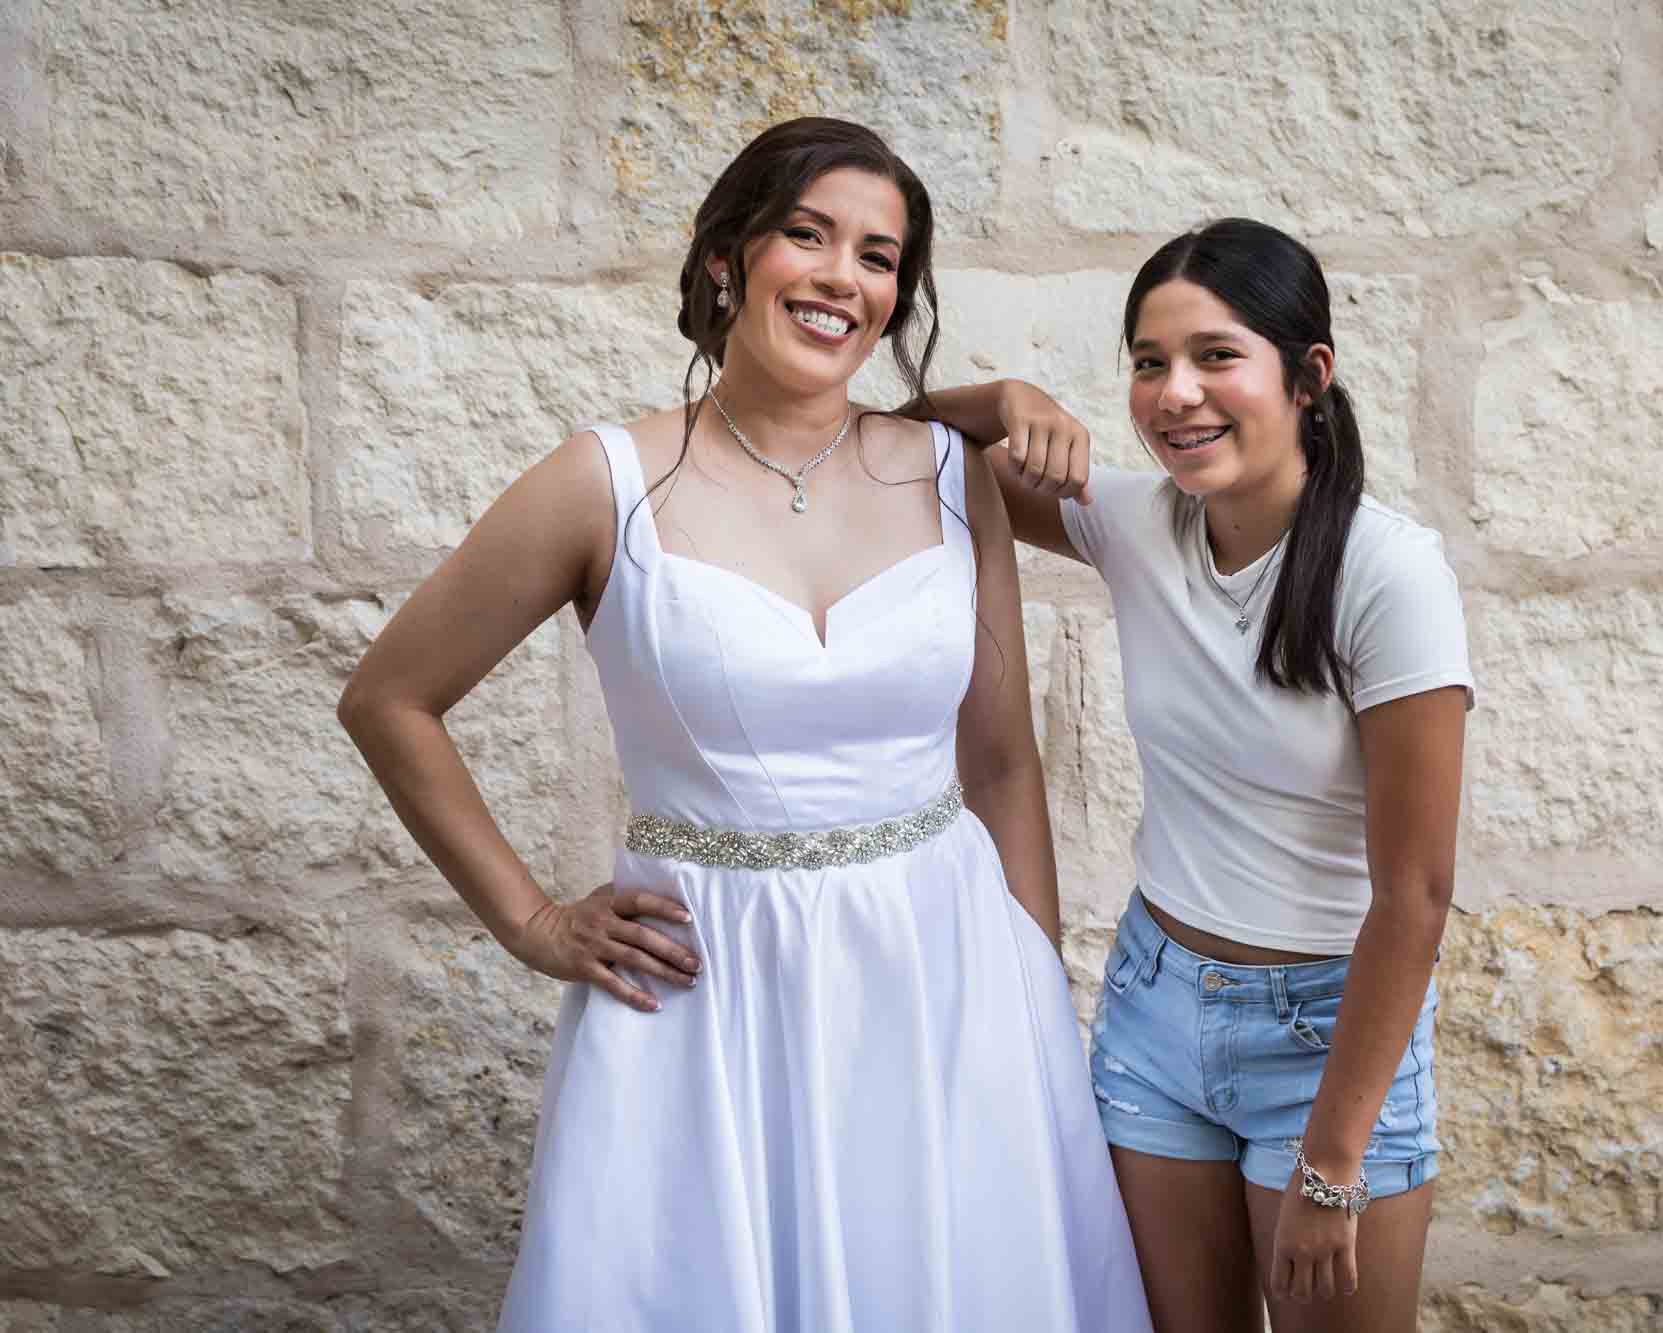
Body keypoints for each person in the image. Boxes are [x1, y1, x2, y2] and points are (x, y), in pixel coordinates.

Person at [338, 117, 1149, 1332]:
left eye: (878, 257)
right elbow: (390, 699)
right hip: (708, 1004)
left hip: (946, 984)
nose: (842, 279)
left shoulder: (947, 469)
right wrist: (534, 922)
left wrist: (1029, 986)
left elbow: (998, 760)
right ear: (727, 257)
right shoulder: (599, 483)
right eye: (807, 235)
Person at [926, 218, 1473, 1333]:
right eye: (1146, 362)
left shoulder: (1388, 574)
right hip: (1154, 1018)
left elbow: (1413, 897)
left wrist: (1329, 1164)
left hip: (1328, 1039)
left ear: (1307, 375)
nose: (1175, 393)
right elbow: (884, 450)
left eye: (1215, 356)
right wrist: (1001, 398)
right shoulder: (1135, 523)